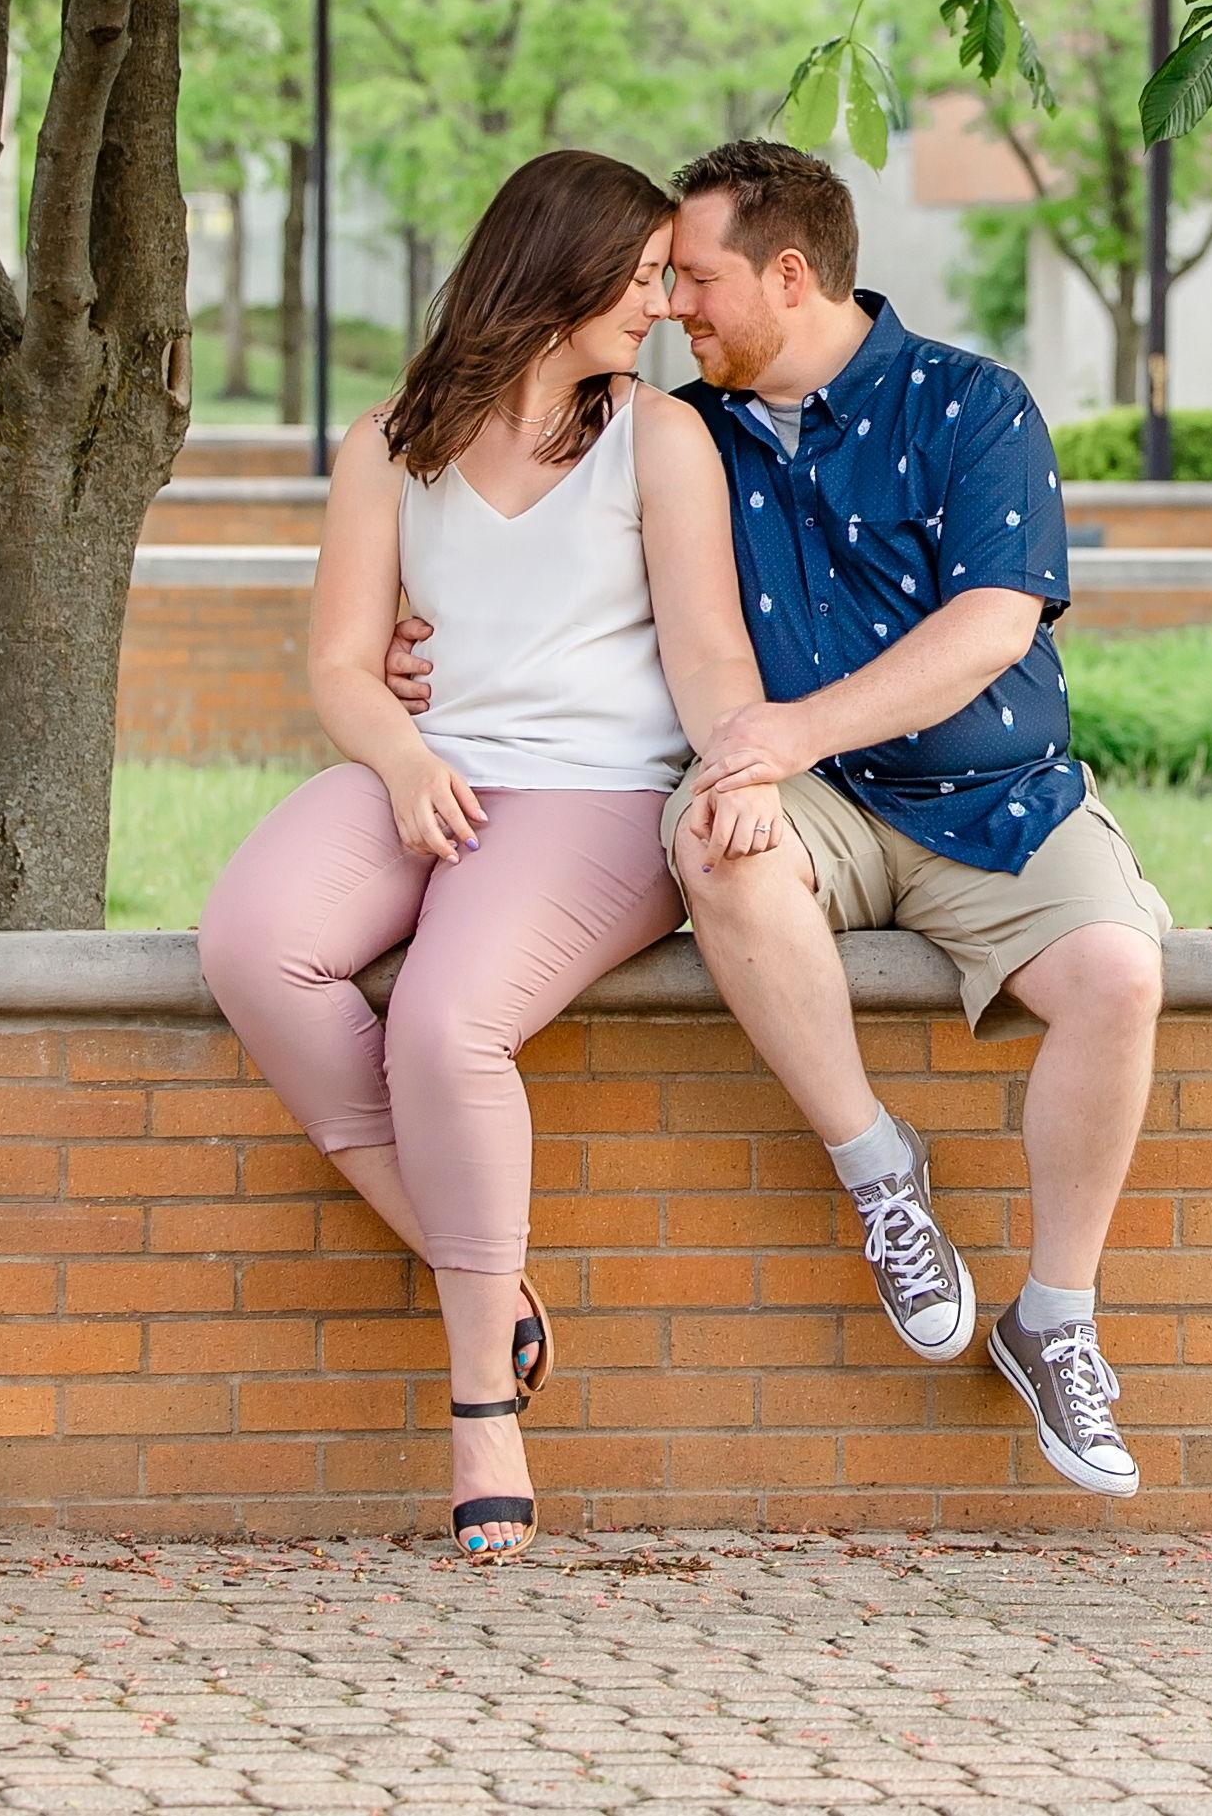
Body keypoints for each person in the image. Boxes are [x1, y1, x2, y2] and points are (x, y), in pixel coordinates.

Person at [400, 137, 1173, 1495]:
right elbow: (535, 558)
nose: (671, 308)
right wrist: (419, 649)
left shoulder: (971, 404)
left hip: (994, 794)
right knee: (718, 840)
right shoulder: (681, 429)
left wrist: (788, 732)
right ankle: (879, 1170)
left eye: (695, 279)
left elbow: (993, 626)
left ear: (791, 274)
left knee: (1117, 974)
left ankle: (1054, 1318)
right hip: (806, 802)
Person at [196, 149, 782, 1567]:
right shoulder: (390, 442)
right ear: (556, 270)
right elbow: (342, 666)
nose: (658, 304)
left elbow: (709, 651)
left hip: (598, 794)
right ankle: (485, 1272)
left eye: (665, 278)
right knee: (252, 940)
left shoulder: (659, 439)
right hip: (437, 769)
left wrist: (743, 761)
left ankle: (480, 1408)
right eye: (639, 276)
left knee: (445, 1022)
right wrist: (404, 763)